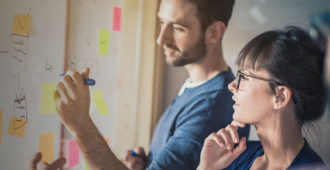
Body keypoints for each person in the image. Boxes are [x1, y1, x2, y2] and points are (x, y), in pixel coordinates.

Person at [30, 0, 250, 169]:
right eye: (162, 23)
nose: (161, 39)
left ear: (214, 33)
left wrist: (80, 124)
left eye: (177, 27)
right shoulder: (197, 86)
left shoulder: (212, 107)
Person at [197, 26, 328, 170]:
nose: (232, 86)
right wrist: (206, 167)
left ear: (280, 96)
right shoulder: (235, 155)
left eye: (245, 77)